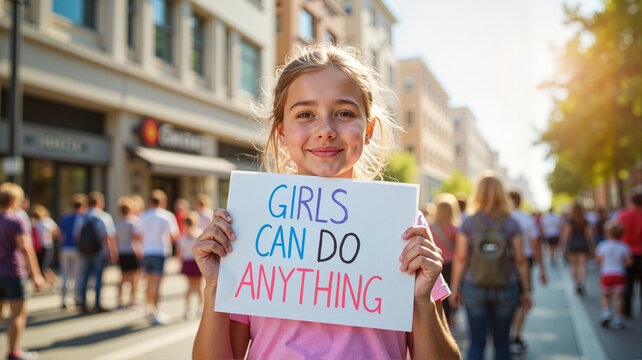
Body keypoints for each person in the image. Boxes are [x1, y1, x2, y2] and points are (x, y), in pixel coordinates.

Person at [192, 44, 460, 359]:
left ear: (369, 129)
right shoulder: (251, 226)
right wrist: (214, 287)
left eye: (344, 113)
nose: (325, 131)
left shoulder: (401, 226)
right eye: (305, 114)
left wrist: (421, 303)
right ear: (281, 132)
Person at [450, 174, 532, 360]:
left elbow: (461, 257)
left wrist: (455, 288)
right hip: (507, 285)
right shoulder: (512, 223)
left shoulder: (468, 222)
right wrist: (526, 290)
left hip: (474, 285)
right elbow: (520, 259)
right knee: (502, 342)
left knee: (477, 342)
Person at [0, 183, 44, 360]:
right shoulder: (16, 220)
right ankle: (13, 352)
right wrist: (36, 274)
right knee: (17, 314)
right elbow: (25, 248)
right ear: (13, 202)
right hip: (13, 272)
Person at [508, 190, 547, 354]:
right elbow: (535, 245)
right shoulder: (526, 218)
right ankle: (515, 336)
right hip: (525, 261)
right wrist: (542, 269)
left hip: (502, 264)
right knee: (523, 298)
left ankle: (505, 335)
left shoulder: (497, 217)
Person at [137, 189, 179, 325]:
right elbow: (174, 236)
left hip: (146, 251)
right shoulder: (166, 216)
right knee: (156, 283)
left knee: (148, 282)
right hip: (160, 251)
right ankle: (154, 312)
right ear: (163, 202)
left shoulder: (143, 216)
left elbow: (137, 235)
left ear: (149, 202)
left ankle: (149, 309)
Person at [76, 191, 118, 313]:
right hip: (100, 252)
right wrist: (112, 254)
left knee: (84, 277)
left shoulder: (81, 217)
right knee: (98, 279)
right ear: (100, 203)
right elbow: (108, 238)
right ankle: (97, 304)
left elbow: (77, 236)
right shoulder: (104, 217)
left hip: (85, 252)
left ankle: (83, 302)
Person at [429, 193, 460, 328]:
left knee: (437, 294)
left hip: (435, 263)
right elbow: (460, 250)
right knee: (451, 293)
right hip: (452, 264)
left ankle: (439, 320)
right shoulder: (456, 228)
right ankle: (450, 318)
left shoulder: (429, 227)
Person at [595, 221, 632, 329]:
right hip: (619, 273)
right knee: (619, 297)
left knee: (605, 295)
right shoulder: (624, 246)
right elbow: (629, 262)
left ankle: (606, 312)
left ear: (607, 233)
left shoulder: (602, 245)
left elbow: (598, 260)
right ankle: (619, 319)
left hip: (606, 273)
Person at [616, 184, 642, 318]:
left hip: (626, 254)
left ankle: (627, 310)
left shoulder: (623, 216)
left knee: (628, 283)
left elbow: (616, 234)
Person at [58, 193, 87, 308]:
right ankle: (77, 297)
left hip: (65, 248)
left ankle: (64, 299)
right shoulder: (81, 218)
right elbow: (78, 235)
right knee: (77, 275)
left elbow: (61, 235)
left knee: (65, 274)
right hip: (76, 249)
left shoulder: (64, 218)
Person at [561, 203, 595, 295]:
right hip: (583, 244)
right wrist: (592, 246)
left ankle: (576, 283)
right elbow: (590, 236)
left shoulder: (570, 221)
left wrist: (564, 247)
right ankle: (582, 283)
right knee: (583, 265)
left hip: (573, 245)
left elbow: (566, 235)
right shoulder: (585, 221)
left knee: (574, 266)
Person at [115, 196, 142, 309]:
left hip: (121, 251)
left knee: (123, 276)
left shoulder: (118, 223)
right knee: (134, 277)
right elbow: (137, 239)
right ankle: (133, 299)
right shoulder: (134, 222)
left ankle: (119, 300)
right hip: (132, 251)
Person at [176, 211, 202, 320]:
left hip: (187, 261)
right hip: (197, 261)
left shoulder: (182, 237)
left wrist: (179, 264)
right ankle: (200, 307)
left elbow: (179, 253)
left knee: (190, 287)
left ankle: (188, 308)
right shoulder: (200, 234)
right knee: (199, 286)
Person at [29, 204, 60, 289]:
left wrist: (50, 236)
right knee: (39, 266)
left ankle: (54, 281)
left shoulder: (47, 221)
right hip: (37, 247)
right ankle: (42, 283)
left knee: (44, 267)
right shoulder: (34, 222)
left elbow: (56, 231)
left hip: (46, 246)